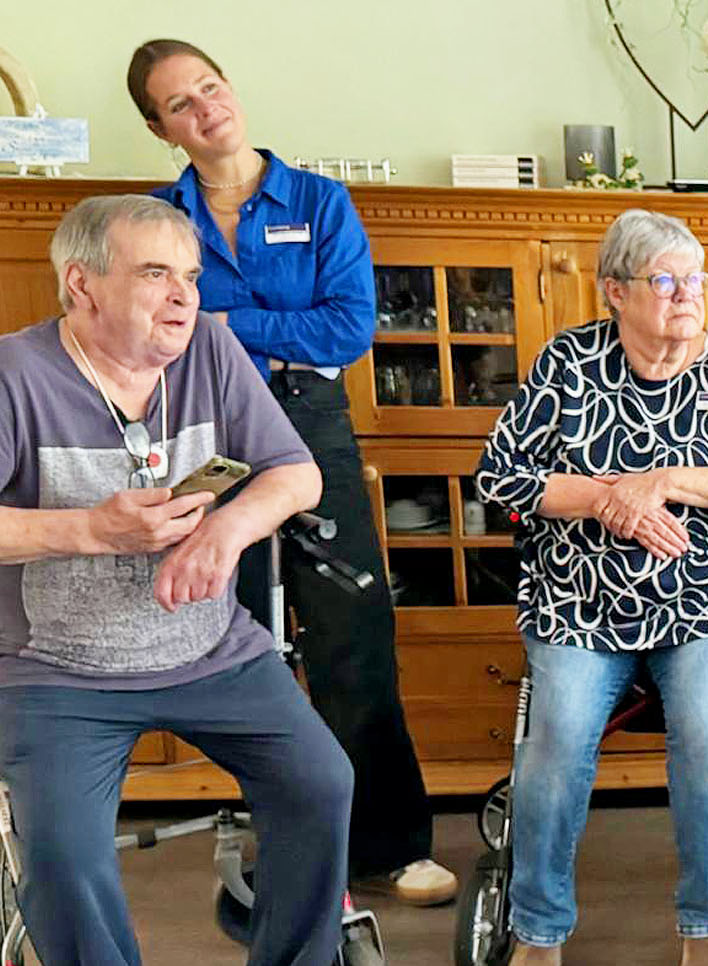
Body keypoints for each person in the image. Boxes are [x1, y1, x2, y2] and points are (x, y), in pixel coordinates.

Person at [0, 195, 384, 966]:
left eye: (191, 276)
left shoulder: (211, 350)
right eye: (155, 274)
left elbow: (295, 472)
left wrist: (227, 532)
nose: (185, 298)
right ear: (82, 285)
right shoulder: (15, 374)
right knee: (62, 851)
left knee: (320, 783)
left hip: (212, 648)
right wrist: (87, 530)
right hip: (57, 670)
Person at [129, 39, 453, 908]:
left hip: (309, 425)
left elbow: (347, 329)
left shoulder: (318, 201)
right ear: (161, 129)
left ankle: (391, 846)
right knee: (232, 637)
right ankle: (288, 842)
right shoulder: (154, 220)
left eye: (210, 86)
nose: (206, 108)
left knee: (352, 630)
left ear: (230, 88)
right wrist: (262, 325)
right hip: (197, 430)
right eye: (180, 103)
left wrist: (223, 323)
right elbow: (152, 329)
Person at [476, 210, 708, 966]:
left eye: (695, 279)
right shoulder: (568, 364)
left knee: (706, 737)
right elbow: (501, 478)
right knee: (555, 741)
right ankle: (537, 934)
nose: (688, 295)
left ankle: (707, 928)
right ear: (615, 291)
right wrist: (605, 501)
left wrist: (665, 481)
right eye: (665, 279)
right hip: (579, 605)